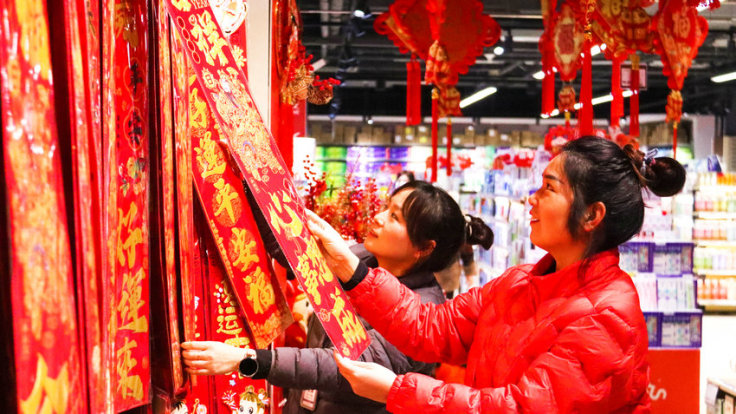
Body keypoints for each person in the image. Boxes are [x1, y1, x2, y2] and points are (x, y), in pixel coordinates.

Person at [307, 137, 686, 413]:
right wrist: (350, 267)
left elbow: (520, 408)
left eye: (548, 188)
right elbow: (434, 327)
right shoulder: (520, 281)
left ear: (591, 215)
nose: (531, 199)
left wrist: (397, 391)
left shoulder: (607, 317)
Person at [181, 180, 494, 414]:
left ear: (423, 248)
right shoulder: (361, 261)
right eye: (387, 207)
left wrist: (245, 360)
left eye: (395, 218)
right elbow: (294, 256)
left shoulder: (424, 315)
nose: (379, 217)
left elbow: (340, 366)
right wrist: (245, 182)